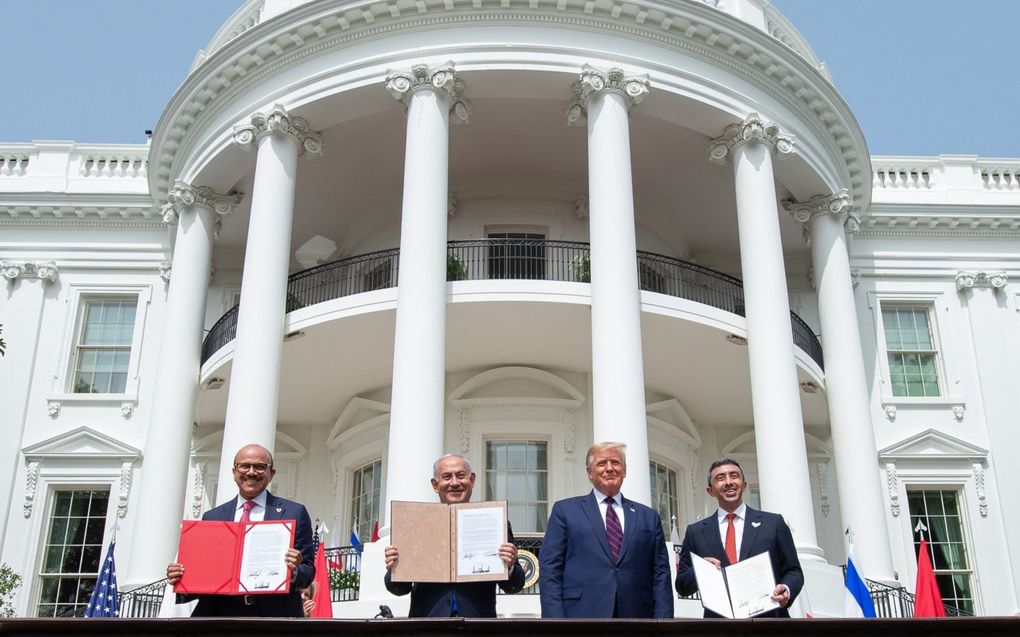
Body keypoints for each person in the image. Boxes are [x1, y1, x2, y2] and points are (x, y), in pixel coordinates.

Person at [166, 443, 315, 617]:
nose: (251, 472)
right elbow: (206, 573)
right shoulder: (212, 517)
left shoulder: (294, 513)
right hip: (219, 614)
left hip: (273, 616)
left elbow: (308, 571)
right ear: (234, 472)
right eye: (244, 466)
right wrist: (181, 576)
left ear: (271, 473)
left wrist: (294, 571)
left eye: (260, 467)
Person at [539, 442, 673, 618]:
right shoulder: (565, 511)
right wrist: (555, 623)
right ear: (589, 473)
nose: (609, 468)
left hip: (637, 619)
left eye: (615, 463)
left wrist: (664, 624)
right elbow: (551, 569)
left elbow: (660, 574)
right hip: (580, 618)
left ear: (624, 471)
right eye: (602, 463)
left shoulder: (648, 516)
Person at [383, 453, 525, 616]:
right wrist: (395, 566)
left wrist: (510, 565)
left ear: (472, 480)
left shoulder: (495, 522)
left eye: (461, 475)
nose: (455, 482)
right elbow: (399, 589)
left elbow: (515, 585)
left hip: (477, 627)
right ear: (435, 485)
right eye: (446, 477)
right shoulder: (415, 525)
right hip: (427, 627)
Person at [675, 457, 804, 618]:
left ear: (744, 485)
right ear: (710, 491)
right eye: (720, 478)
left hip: (769, 623)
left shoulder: (773, 523)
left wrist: (786, 588)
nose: (728, 482)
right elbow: (682, 586)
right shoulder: (696, 532)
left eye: (734, 476)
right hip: (719, 628)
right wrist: (699, 570)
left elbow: (794, 571)